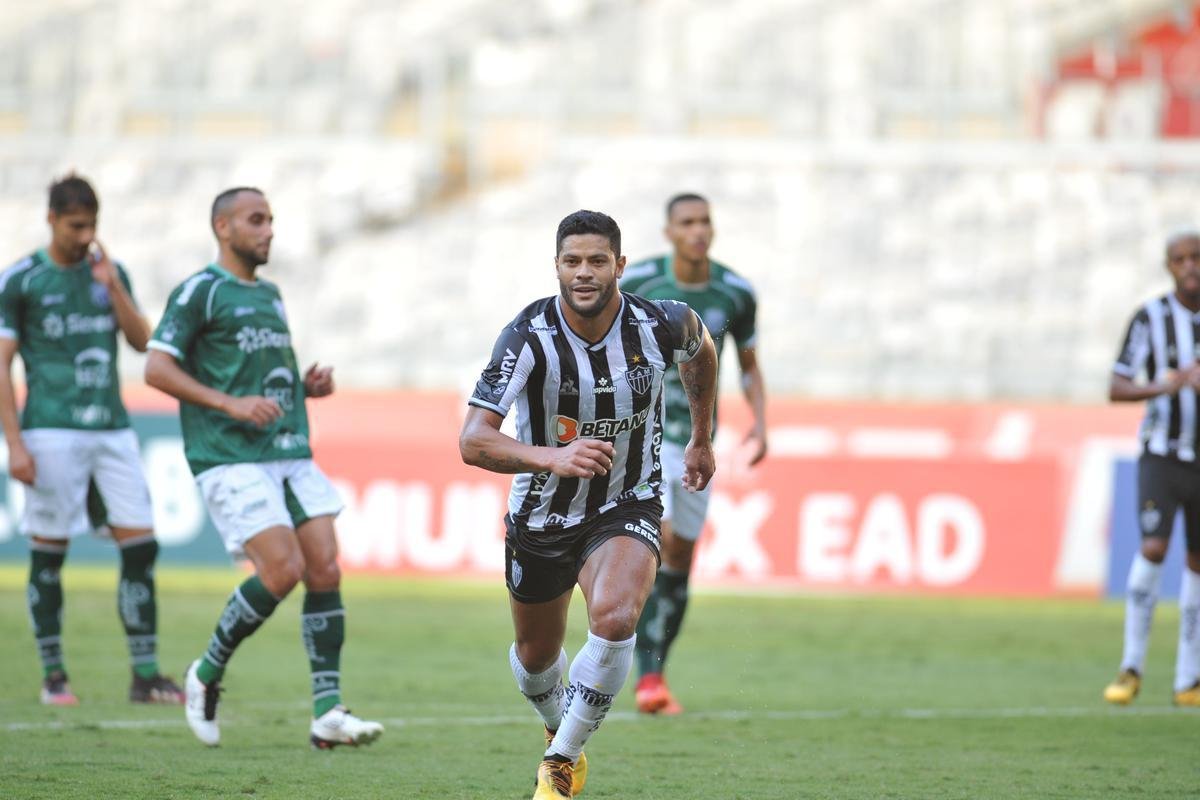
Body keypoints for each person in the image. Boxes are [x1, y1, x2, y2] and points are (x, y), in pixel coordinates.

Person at [460, 209, 718, 799]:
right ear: (556, 266)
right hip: (544, 512)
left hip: (628, 500)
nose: (584, 272)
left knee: (616, 616)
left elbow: (701, 351)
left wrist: (701, 438)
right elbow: (473, 440)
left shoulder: (660, 325)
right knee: (535, 660)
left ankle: (559, 763)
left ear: (620, 266)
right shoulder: (528, 336)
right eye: (572, 261)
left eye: (597, 261)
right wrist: (552, 457)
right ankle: (559, 726)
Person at [144, 187, 383, 748]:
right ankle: (205, 672)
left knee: (325, 569)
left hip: (287, 448)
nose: (268, 230)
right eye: (256, 220)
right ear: (222, 227)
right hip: (230, 455)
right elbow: (156, 367)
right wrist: (229, 405)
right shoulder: (200, 292)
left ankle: (327, 710)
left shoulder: (271, 295)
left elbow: (254, 379)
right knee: (282, 571)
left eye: (271, 220)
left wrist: (304, 391)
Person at [0, 174, 183, 707]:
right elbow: (3, 365)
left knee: (141, 545)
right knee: (50, 553)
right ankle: (54, 674)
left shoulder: (109, 273)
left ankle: (144, 675)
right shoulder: (21, 281)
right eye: (76, 226)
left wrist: (114, 288)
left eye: (92, 226)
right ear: (52, 219)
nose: (85, 237)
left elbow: (142, 341)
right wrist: (15, 444)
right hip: (51, 429)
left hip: (112, 427)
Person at [619, 192, 767, 714]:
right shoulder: (637, 283)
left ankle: (654, 675)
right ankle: (631, 669)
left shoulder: (736, 292)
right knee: (647, 545)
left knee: (679, 558)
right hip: (643, 436)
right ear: (669, 232)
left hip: (700, 439)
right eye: (687, 222)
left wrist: (761, 422)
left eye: (705, 221)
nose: (698, 230)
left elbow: (747, 363)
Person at [1104, 229, 1200, 707]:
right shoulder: (1151, 318)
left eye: (1196, 257)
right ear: (1169, 267)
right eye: (1180, 259)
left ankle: (1189, 679)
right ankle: (1132, 666)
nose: (1190, 266)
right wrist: (1171, 386)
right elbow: (1117, 386)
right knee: (1154, 546)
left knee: (1199, 563)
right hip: (1162, 456)